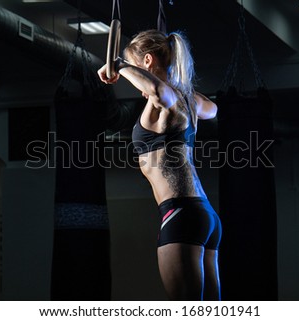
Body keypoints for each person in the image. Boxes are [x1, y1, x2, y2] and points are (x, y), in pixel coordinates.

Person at [98, 29, 222, 300]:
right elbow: (212, 109)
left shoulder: (165, 99)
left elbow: (158, 92)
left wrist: (119, 65)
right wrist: (166, 84)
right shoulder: (187, 99)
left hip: (182, 214)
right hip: (205, 216)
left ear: (146, 62)